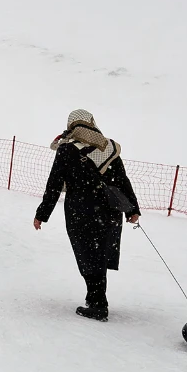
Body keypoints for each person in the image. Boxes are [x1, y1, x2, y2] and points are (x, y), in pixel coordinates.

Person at [34, 109, 141, 322]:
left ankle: (97, 303)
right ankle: (97, 298)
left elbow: (54, 184)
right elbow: (122, 180)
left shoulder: (67, 149)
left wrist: (42, 214)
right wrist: (132, 209)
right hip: (109, 211)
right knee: (98, 253)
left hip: (81, 210)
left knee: (87, 254)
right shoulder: (109, 147)